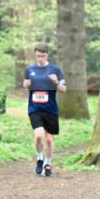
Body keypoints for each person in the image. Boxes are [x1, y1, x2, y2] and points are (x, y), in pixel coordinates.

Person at [22, 42, 66, 177]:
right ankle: (39, 158)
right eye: (38, 56)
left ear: (47, 55)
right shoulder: (30, 69)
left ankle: (48, 163)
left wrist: (56, 82)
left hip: (50, 109)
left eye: (43, 56)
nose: (40, 58)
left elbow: (63, 89)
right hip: (35, 108)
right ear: (35, 55)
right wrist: (26, 85)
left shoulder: (55, 70)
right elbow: (27, 85)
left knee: (49, 140)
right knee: (39, 135)